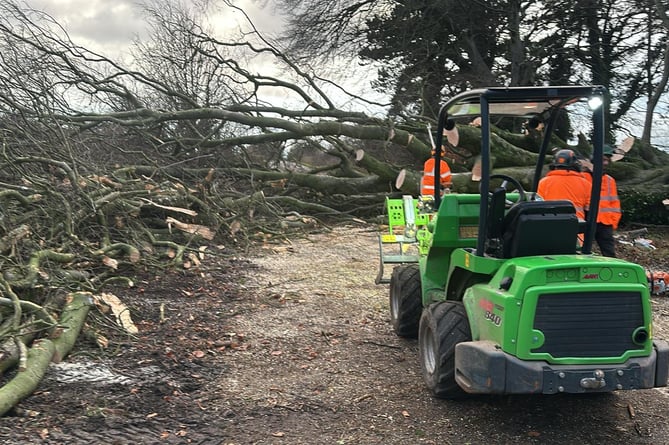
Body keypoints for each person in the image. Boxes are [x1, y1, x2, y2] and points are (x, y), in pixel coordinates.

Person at [580, 145, 622, 257]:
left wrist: (613, 221)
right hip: (586, 221)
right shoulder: (582, 177)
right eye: (603, 160)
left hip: (605, 223)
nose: (606, 163)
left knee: (610, 254)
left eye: (607, 160)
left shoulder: (609, 180)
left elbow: (615, 204)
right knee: (581, 252)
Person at [537, 149, 591, 221]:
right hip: (575, 228)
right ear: (575, 164)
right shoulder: (586, 184)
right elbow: (588, 209)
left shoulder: (543, 182)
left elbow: (538, 206)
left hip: (549, 226)